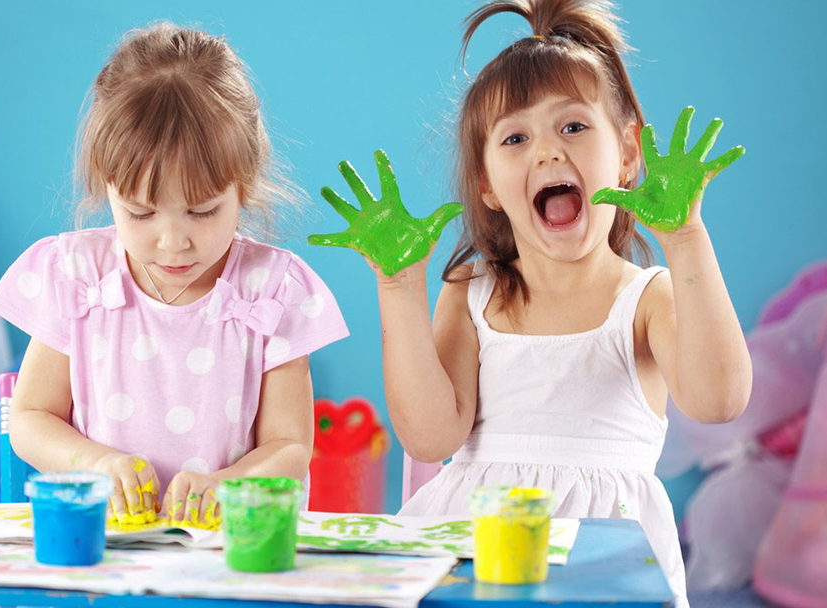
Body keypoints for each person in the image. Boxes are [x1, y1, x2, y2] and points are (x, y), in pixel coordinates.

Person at [309, 2, 751, 605]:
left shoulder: (646, 299)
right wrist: (398, 287)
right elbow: (430, 439)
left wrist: (687, 239)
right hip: (473, 554)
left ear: (627, 154)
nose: (546, 152)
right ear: (487, 184)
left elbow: (719, 400)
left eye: (573, 127)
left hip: (602, 565)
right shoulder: (472, 291)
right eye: (516, 138)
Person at [0, 22, 348, 528]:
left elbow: (289, 446)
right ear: (107, 187)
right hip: (105, 546)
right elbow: (30, 420)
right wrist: (95, 463)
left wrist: (229, 485)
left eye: (202, 212)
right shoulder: (79, 276)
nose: (173, 242)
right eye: (140, 213)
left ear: (244, 185)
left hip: (233, 548)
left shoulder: (271, 289)